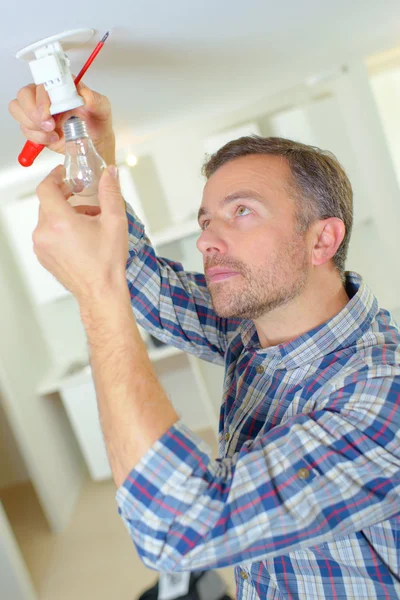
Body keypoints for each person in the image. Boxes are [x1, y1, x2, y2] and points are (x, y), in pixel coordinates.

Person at [9, 82, 400, 600]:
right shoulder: (256, 328)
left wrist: (96, 297)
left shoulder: (382, 391)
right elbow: (148, 282)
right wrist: (92, 155)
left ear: (322, 240)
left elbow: (182, 529)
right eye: (207, 220)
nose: (206, 240)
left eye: (242, 211)